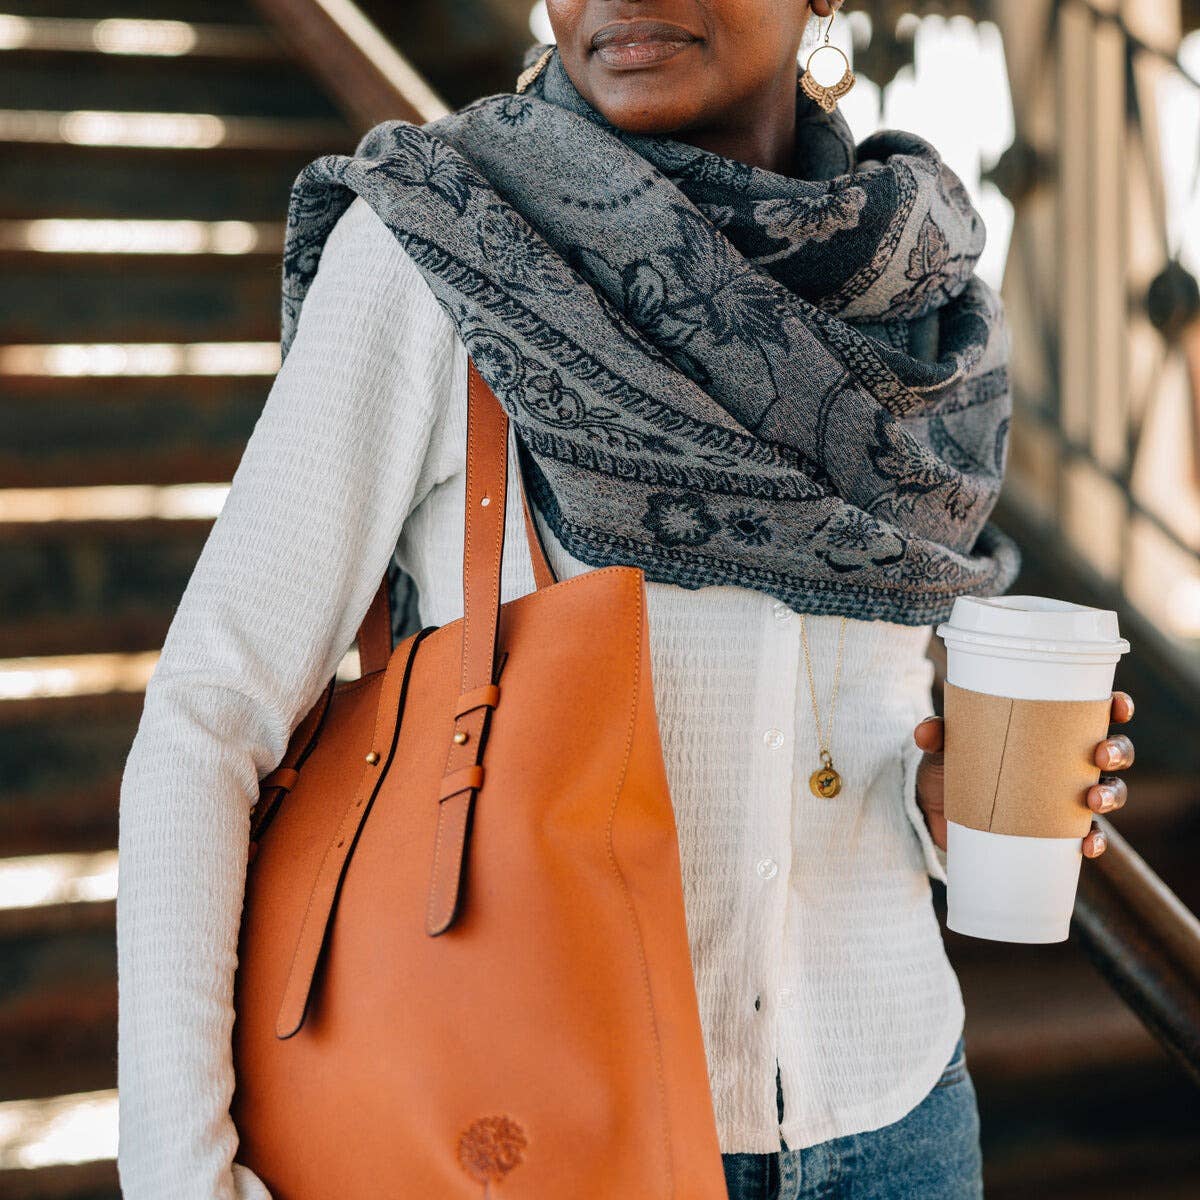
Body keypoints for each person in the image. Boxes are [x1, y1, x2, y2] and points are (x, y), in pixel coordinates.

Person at [115, 2, 1137, 1197]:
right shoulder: (451, 245)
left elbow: (850, 725)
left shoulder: (914, 297)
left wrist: (937, 808)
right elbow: (207, 716)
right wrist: (183, 1177)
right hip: (540, 1127)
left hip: (895, 1113)